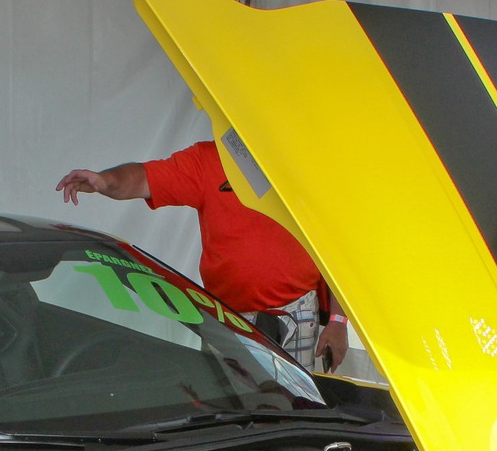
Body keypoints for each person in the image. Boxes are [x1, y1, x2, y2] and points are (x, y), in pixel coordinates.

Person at [55, 141, 349, 369]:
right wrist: (106, 181)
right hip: (226, 316)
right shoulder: (209, 159)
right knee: (228, 408)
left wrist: (338, 321)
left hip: (296, 313)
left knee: (294, 408)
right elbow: (145, 178)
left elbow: (339, 245)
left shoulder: (311, 162)